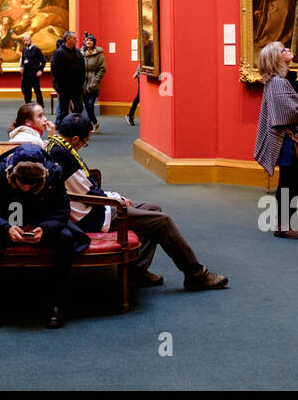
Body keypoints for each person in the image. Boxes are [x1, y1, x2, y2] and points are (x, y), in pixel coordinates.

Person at [47, 113, 227, 290]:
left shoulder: (56, 146)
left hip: (90, 207)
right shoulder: (63, 156)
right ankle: (196, 274)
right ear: (75, 139)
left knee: (153, 209)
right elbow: (87, 193)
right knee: (162, 221)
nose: (83, 146)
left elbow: (83, 188)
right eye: (85, 143)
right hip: (91, 216)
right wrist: (117, 199)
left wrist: (114, 197)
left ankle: (137, 271)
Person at [0, 142, 87, 329]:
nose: (27, 188)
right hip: (6, 224)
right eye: (22, 182)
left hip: (41, 225)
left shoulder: (54, 172)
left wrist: (45, 229)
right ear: (12, 174)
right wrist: (6, 228)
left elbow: (62, 212)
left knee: (66, 238)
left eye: (33, 184)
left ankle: (57, 305)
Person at [253, 41, 298, 239]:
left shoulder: (283, 79)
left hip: (290, 139)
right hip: (286, 140)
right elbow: (286, 112)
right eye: (283, 50)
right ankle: (283, 226)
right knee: (287, 184)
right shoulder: (277, 82)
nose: (288, 50)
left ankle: (292, 221)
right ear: (276, 58)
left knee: (295, 182)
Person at [49, 31, 85, 125]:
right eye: (74, 38)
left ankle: (76, 126)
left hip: (76, 86)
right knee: (63, 109)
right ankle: (61, 127)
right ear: (68, 40)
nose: (76, 40)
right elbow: (54, 70)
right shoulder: (59, 53)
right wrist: (57, 85)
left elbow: (82, 68)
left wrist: (81, 82)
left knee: (78, 108)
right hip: (63, 87)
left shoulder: (77, 52)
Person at [81, 33, 106, 133]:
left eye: (91, 40)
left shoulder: (99, 55)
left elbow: (102, 69)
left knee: (90, 105)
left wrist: (96, 80)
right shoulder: (81, 53)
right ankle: (95, 123)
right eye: (87, 40)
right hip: (83, 84)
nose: (89, 42)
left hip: (93, 84)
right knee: (87, 106)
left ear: (94, 43)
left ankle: (88, 126)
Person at [19, 34, 46, 107]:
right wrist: (21, 67)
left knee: (37, 91)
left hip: (34, 73)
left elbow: (43, 61)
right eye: (24, 41)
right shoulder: (24, 49)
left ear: (31, 40)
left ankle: (41, 106)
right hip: (26, 74)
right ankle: (28, 106)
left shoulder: (36, 49)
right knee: (27, 91)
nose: (25, 42)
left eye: (27, 40)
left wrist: (40, 70)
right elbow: (23, 60)